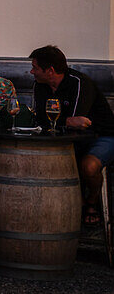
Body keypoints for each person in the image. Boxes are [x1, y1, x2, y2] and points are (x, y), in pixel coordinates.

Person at [30, 45, 114, 227]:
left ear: (50, 70)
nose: (31, 71)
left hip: (101, 136)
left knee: (89, 166)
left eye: (35, 67)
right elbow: (38, 119)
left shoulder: (79, 83)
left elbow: (80, 124)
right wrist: (67, 121)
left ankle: (91, 202)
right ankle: (70, 207)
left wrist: (61, 122)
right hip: (66, 140)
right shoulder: (40, 85)